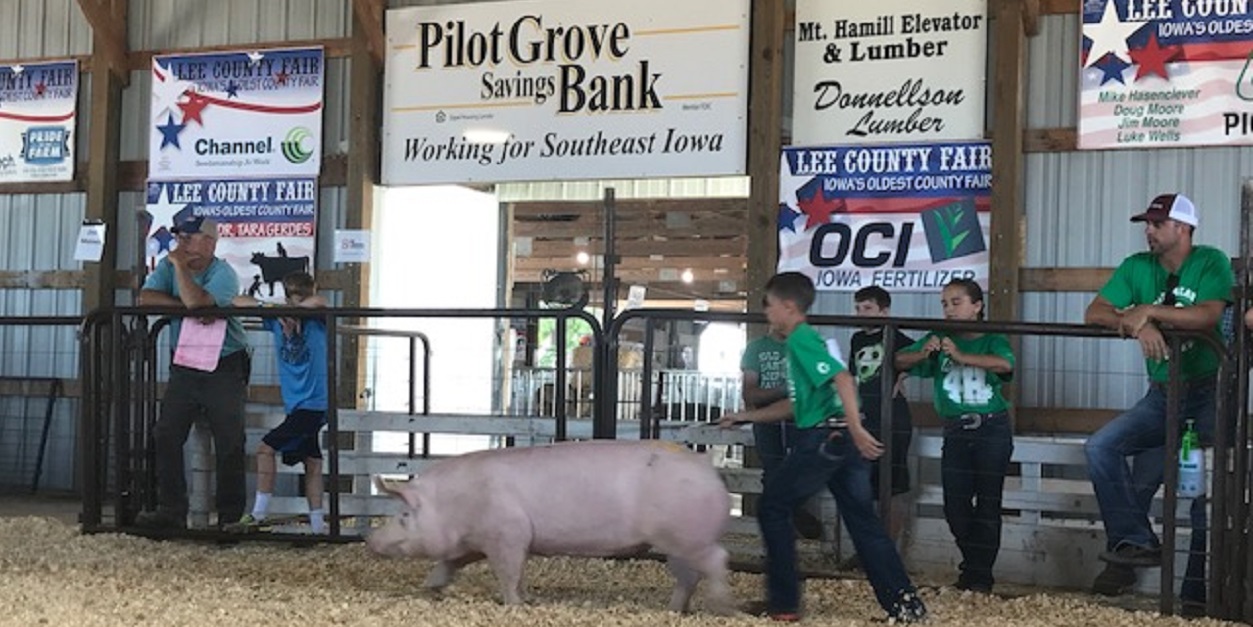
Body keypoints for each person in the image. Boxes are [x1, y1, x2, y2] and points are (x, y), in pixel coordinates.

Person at [718, 272, 926, 623]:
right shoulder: (804, 343)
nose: (767, 313)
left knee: (772, 505)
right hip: (837, 438)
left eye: (769, 306)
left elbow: (842, 379)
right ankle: (905, 605)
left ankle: (784, 604)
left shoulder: (801, 340)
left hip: (824, 439)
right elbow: (797, 405)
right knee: (864, 523)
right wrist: (744, 415)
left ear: (788, 307)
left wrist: (858, 429)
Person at [1082, 193, 1229, 611]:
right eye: (1147, 224)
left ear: (1182, 229)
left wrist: (1149, 311)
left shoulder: (1210, 260)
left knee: (1201, 491)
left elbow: (1207, 316)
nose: (1148, 230)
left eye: (1156, 224)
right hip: (1162, 395)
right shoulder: (1136, 265)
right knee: (1101, 447)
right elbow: (1094, 312)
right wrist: (1135, 325)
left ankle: (1195, 597)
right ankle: (1136, 542)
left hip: (1207, 394)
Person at [895, 279, 1014, 593]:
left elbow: (1004, 365)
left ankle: (977, 577)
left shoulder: (992, 338)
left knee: (988, 503)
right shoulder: (938, 338)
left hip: (992, 427)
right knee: (955, 505)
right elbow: (898, 359)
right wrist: (923, 354)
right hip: (957, 429)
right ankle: (975, 567)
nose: (949, 309)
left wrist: (961, 356)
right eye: (945, 303)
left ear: (977, 307)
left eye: (956, 302)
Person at [135, 216, 250, 530]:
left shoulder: (223, 273)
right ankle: (171, 511)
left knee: (229, 441)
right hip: (185, 363)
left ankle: (230, 518)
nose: (182, 245)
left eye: (189, 238)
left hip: (224, 364)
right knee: (166, 434)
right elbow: (145, 297)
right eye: (180, 238)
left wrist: (183, 279)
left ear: (210, 243)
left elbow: (199, 304)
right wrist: (185, 305)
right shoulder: (169, 266)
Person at [229, 272, 329, 534]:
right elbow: (238, 301)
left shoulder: (318, 321)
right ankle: (318, 527)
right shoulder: (275, 320)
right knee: (312, 462)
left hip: (313, 404)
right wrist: (275, 309)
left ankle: (259, 514)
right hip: (296, 405)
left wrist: (296, 312)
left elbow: (320, 302)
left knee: (265, 449)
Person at [740, 327, 822, 541]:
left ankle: (784, 526)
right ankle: (789, 526)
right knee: (774, 472)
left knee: (797, 472)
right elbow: (749, 392)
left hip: (799, 418)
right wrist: (787, 389)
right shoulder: (757, 347)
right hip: (771, 420)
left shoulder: (806, 345)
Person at [850, 286, 915, 545]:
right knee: (862, 484)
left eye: (867, 308)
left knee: (893, 485)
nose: (860, 313)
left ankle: (887, 549)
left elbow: (923, 356)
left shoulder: (896, 337)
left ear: (884, 311)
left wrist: (904, 374)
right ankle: (867, 547)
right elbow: (852, 376)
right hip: (865, 416)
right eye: (858, 308)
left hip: (892, 417)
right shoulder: (857, 339)